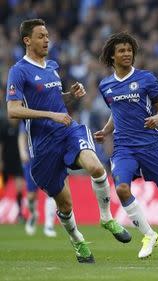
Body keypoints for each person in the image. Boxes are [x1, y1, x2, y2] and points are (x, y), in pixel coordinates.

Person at [6, 19, 131, 264]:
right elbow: (13, 110)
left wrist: (70, 97)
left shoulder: (52, 66)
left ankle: (106, 218)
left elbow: (56, 102)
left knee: (96, 167)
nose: (46, 40)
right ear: (27, 41)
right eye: (41, 36)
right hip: (42, 145)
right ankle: (78, 241)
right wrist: (50, 114)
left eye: (47, 35)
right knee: (65, 204)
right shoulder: (19, 71)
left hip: (67, 131)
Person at [94, 31, 158, 260]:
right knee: (121, 188)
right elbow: (115, 113)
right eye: (122, 50)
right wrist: (106, 131)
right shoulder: (106, 85)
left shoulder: (146, 78)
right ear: (112, 56)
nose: (127, 53)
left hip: (150, 145)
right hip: (123, 147)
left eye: (130, 50)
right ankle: (149, 235)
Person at [18, 122, 57, 237]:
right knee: (31, 196)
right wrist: (22, 152)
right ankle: (33, 214)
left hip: (47, 157)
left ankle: (49, 226)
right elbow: (21, 136)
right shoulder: (28, 116)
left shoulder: (49, 114)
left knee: (51, 192)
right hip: (31, 160)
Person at [0, 118, 26, 223]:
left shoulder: (21, 127)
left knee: (20, 188)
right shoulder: (5, 127)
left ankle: (20, 214)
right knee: (1, 188)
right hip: (6, 162)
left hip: (18, 163)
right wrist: (0, 160)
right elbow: (0, 145)